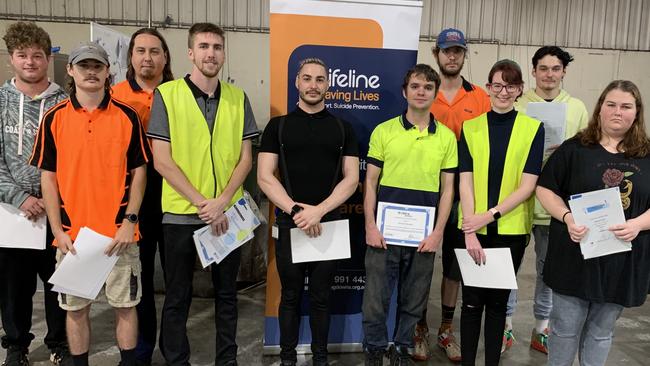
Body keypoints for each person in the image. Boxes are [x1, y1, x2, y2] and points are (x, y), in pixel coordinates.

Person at [30, 41, 150, 366]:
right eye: (84, 66)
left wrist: (130, 221)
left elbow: (140, 172)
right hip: (74, 239)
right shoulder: (53, 119)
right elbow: (48, 179)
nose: (91, 72)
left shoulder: (127, 116)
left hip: (119, 238)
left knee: (126, 306)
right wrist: (57, 229)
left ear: (108, 71)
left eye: (98, 66)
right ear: (71, 70)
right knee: (75, 309)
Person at [148, 22, 258, 366]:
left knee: (227, 295)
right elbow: (161, 161)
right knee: (177, 296)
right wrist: (202, 203)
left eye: (218, 47)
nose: (212, 53)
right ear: (190, 53)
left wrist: (222, 201)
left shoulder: (239, 98)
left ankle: (227, 359)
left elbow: (245, 159)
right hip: (181, 214)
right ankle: (176, 360)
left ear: (224, 53)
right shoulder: (167, 95)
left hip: (228, 215)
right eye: (204, 46)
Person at [536, 80, 650, 366]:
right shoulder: (575, 149)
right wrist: (567, 216)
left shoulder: (647, 155)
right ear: (600, 108)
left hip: (622, 261)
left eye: (626, 106)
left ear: (636, 113)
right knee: (564, 331)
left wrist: (638, 224)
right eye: (610, 104)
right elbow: (545, 188)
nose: (617, 112)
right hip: (575, 256)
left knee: (601, 333)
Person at [257, 58, 359, 366]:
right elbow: (264, 176)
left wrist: (319, 211)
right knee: (289, 295)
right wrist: (297, 210)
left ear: (328, 85)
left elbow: (352, 178)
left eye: (319, 79)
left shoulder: (343, 129)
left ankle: (320, 359)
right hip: (291, 224)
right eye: (307, 78)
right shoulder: (279, 126)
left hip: (328, 225)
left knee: (321, 297)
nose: (313, 85)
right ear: (297, 83)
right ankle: (287, 358)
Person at [363, 64, 457, 366]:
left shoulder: (446, 138)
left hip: (424, 239)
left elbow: (448, 191)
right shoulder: (383, 131)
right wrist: (370, 226)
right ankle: (374, 352)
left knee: (414, 301)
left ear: (435, 93)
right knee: (375, 302)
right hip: (383, 235)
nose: (421, 92)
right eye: (415, 86)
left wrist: (438, 233)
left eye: (428, 87)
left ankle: (403, 350)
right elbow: (371, 183)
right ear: (405, 91)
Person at [502, 46, 589, 355]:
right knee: (508, 265)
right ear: (534, 71)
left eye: (555, 68)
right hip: (517, 197)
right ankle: (506, 323)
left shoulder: (577, 107)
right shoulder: (519, 104)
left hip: (554, 201)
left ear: (563, 71)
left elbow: (583, 153)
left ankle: (542, 327)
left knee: (546, 269)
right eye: (543, 68)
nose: (549, 74)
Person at [457, 59, 544, 366]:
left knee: (496, 304)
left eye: (510, 85)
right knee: (470, 303)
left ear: (520, 89)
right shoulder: (470, 127)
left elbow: (528, 185)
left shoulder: (533, 129)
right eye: (497, 85)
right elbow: (464, 181)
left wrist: (489, 215)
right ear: (488, 88)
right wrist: (471, 229)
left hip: (510, 231)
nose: (503, 92)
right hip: (472, 230)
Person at [415, 28, 491, 362]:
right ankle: (418, 328)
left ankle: (446, 329)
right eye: (447, 50)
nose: (452, 56)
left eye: (458, 51)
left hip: (463, 193)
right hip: (423, 189)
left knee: (454, 265)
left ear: (464, 55)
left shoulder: (479, 98)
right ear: (436, 54)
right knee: (419, 262)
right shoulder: (424, 93)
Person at [0, 21, 70, 366]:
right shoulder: (0, 101)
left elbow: (71, 160)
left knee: (59, 280)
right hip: (12, 213)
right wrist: (20, 197)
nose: (30, 62)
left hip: (56, 208)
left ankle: (59, 342)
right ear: (11, 58)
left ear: (48, 58)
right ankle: (16, 345)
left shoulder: (65, 103)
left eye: (37, 55)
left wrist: (50, 198)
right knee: (15, 286)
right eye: (22, 55)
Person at [111, 27, 173, 366]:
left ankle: (174, 348)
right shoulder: (116, 96)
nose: (147, 57)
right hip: (135, 199)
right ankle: (142, 350)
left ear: (166, 57)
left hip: (177, 195)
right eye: (140, 51)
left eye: (155, 51)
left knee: (177, 280)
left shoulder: (180, 94)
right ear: (130, 57)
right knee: (141, 278)